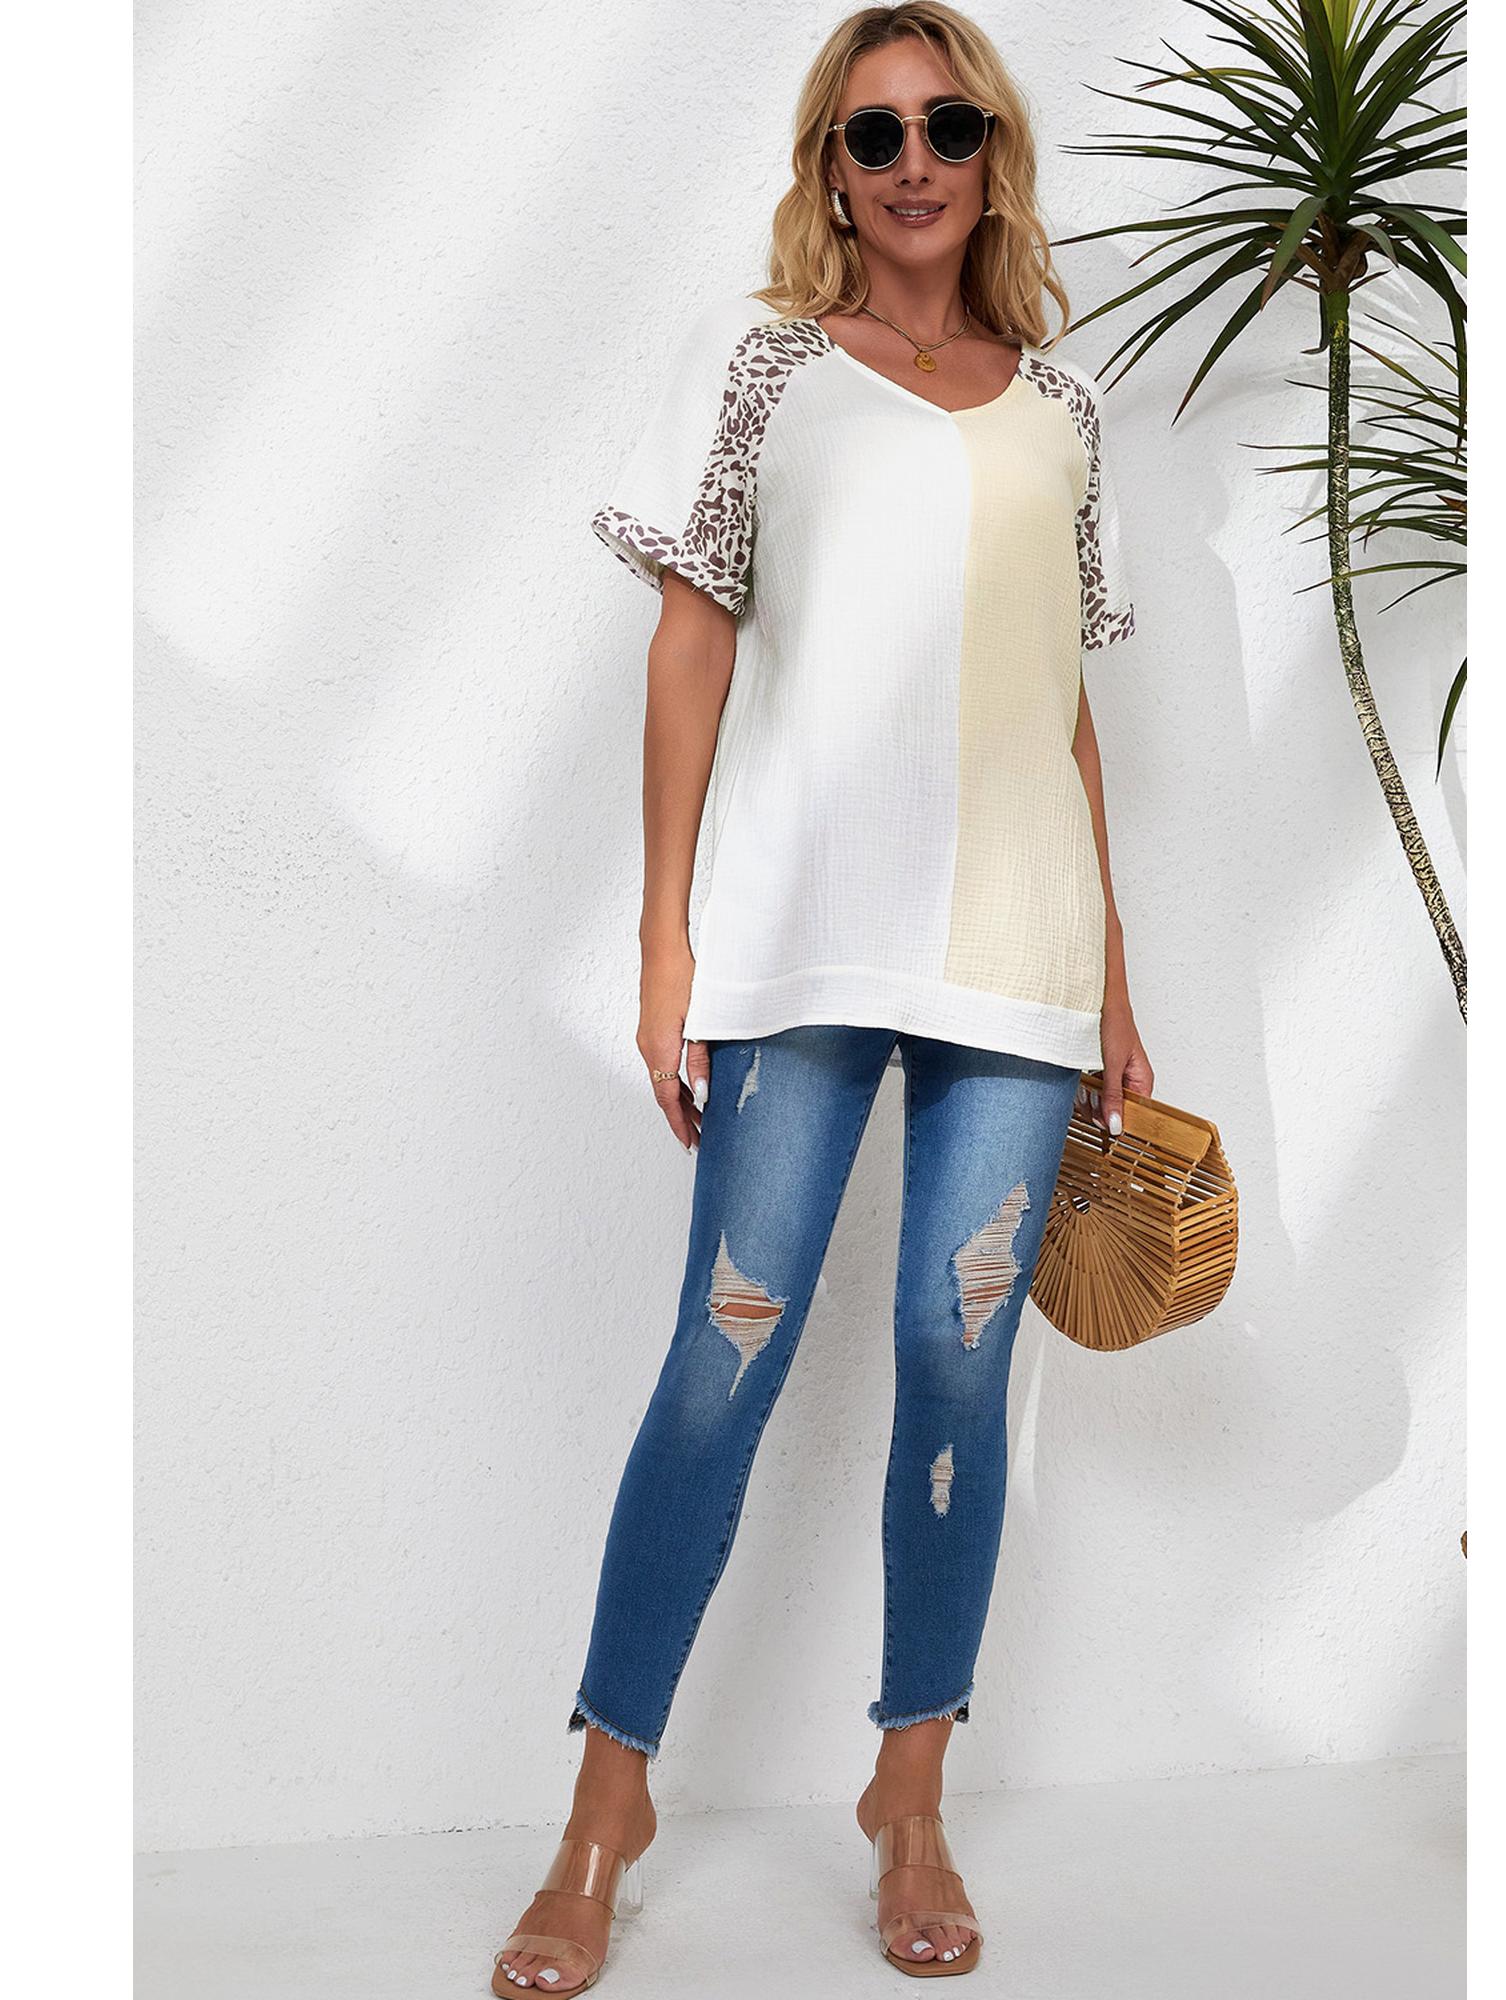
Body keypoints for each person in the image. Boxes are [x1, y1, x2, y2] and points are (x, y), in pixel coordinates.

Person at [492, 4, 1153, 1989]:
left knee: (957, 1369)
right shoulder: (762, 362)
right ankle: (603, 1806)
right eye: (876, 134)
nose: (915, 160)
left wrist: (1115, 987)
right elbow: (690, 648)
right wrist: (665, 946)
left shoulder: (1061, 408)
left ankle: (909, 1792)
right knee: (724, 1356)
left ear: (993, 151)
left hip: (1018, 960)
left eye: (949, 124)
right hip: (796, 939)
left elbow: (1060, 708)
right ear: (831, 171)